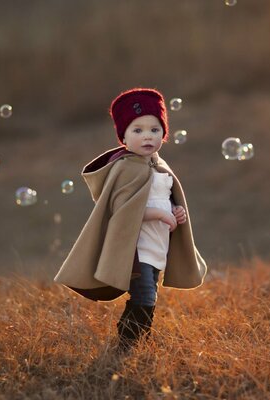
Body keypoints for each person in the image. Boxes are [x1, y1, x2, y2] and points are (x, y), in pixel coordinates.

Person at [53, 88, 207, 352]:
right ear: (123, 136)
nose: (147, 136)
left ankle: (133, 340)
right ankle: (130, 342)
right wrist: (160, 214)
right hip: (134, 250)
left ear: (164, 133)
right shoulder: (125, 168)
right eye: (137, 130)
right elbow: (122, 212)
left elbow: (164, 200)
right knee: (144, 293)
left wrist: (176, 211)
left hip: (157, 246)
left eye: (154, 129)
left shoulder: (160, 167)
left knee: (149, 294)